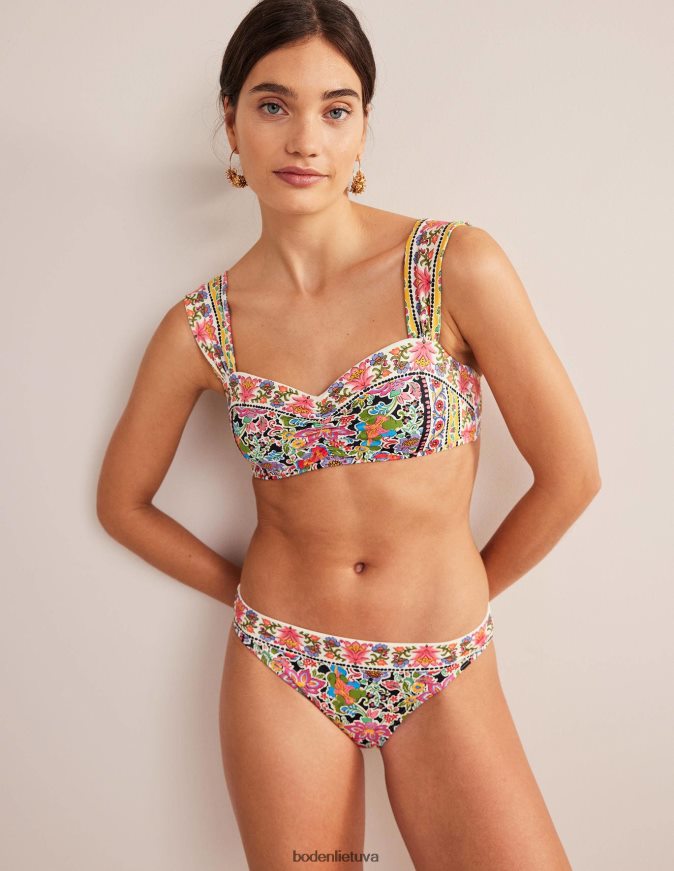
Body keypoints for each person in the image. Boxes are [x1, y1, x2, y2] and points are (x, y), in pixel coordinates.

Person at [96, 1, 600, 867]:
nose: (306, 140)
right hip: (282, 665)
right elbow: (123, 503)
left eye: (336, 109)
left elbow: (572, 473)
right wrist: (250, 598)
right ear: (231, 122)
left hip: (442, 658)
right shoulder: (201, 327)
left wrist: (462, 597)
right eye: (273, 105)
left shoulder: (453, 266)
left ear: (364, 127)